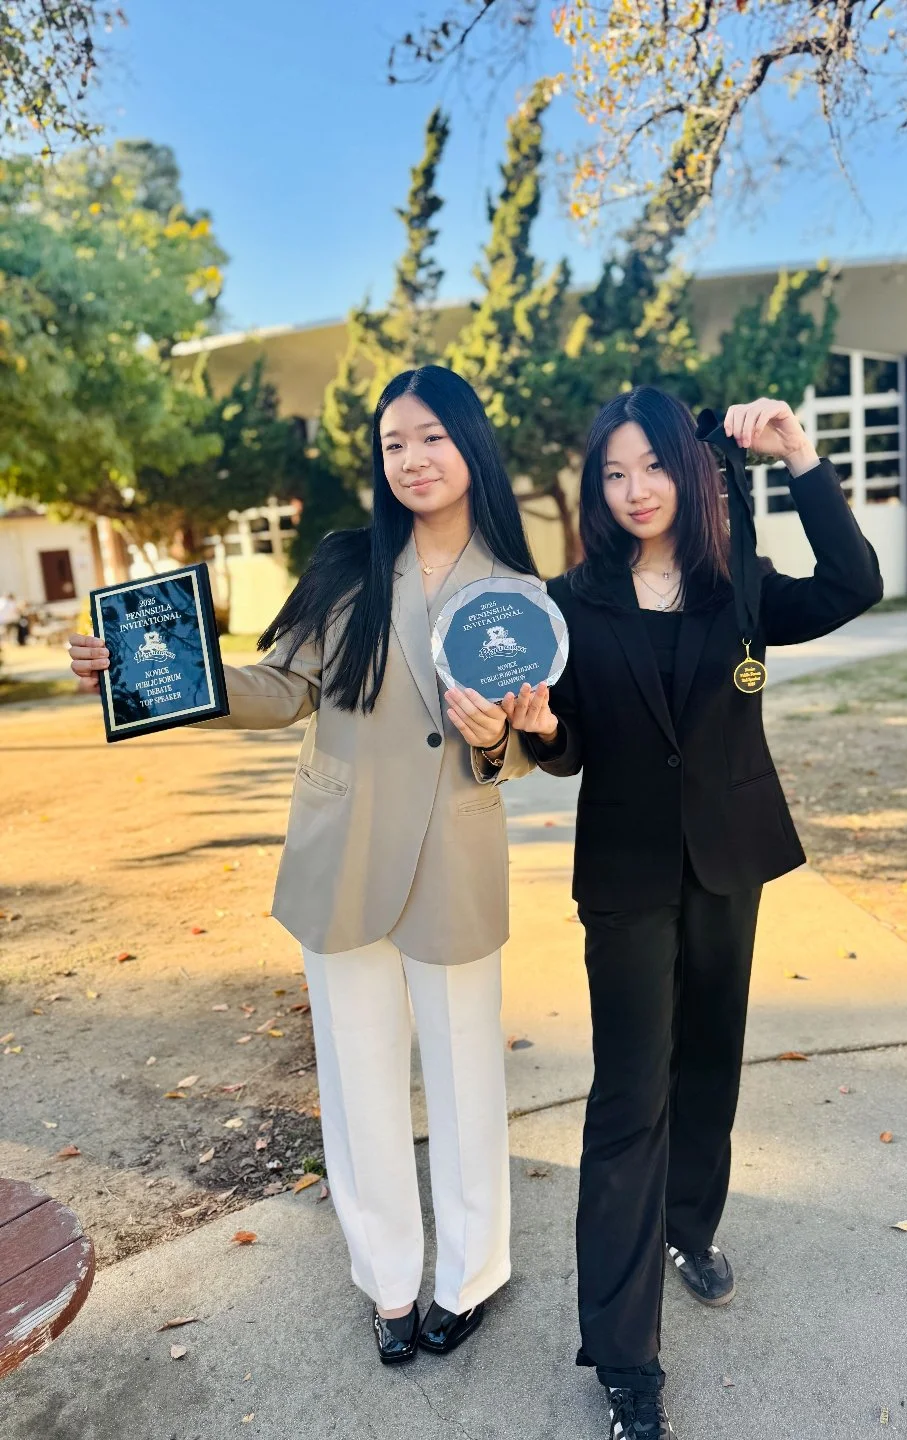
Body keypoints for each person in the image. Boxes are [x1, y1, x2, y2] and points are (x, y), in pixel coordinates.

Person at [67, 365, 554, 1367]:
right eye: (393, 444)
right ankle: (387, 1282)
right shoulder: (345, 565)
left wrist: (504, 736)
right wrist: (151, 670)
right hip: (343, 862)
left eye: (432, 438)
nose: (413, 459)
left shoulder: (519, 589)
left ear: (471, 447)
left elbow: (523, 745)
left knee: (466, 1084)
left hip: (454, 859)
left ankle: (468, 1278)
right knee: (359, 1082)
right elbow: (280, 688)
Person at [506, 387, 884, 1439]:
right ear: (596, 487)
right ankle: (626, 1358)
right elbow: (567, 743)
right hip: (626, 878)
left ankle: (690, 1226)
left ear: (692, 470)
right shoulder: (567, 602)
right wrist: (539, 727)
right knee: (629, 1098)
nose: (635, 491)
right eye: (614, 473)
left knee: (711, 1060)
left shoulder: (739, 585)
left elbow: (858, 582)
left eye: (653, 468)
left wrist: (801, 456)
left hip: (730, 862)